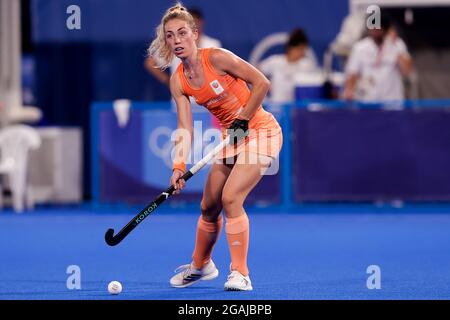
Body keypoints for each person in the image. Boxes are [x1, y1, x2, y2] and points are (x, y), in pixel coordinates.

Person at [147, 3, 283, 291]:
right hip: (230, 139)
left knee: (231, 198)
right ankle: (201, 266)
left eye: (182, 33)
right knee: (208, 206)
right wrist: (178, 166)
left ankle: (240, 273)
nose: (177, 41)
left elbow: (261, 82)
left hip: (260, 131)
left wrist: (243, 119)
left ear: (194, 34)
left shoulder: (218, 58)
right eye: (170, 36)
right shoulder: (178, 80)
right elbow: (184, 128)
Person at [144, 7, 222, 86]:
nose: (192, 25)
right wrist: (169, 81)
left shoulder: (214, 44)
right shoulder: (174, 44)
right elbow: (150, 63)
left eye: (194, 22)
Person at [343, 14, 413, 101]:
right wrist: (349, 90)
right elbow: (352, 73)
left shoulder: (397, 45)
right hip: (368, 103)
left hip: (392, 103)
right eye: (372, 28)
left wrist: (394, 45)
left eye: (377, 28)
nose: (374, 31)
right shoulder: (360, 48)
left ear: (385, 29)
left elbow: (407, 70)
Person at [258, 28, 319, 103]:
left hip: (297, 108)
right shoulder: (275, 62)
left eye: (304, 49)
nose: (303, 53)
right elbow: (256, 72)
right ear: (291, 48)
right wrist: (267, 85)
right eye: (300, 49)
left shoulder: (306, 65)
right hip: (277, 107)